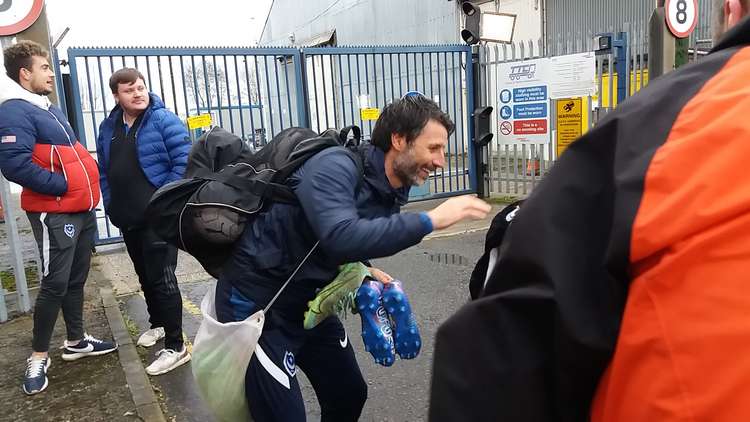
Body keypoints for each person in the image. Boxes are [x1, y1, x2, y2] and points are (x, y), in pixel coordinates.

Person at [429, 3, 750, 421]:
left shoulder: (667, 130)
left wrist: (428, 221)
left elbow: (496, 363)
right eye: (433, 149)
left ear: (732, 8)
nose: (438, 161)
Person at [214, 93, 490, 421]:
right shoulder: (333, 166)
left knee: (348, 394)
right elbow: (340, 234)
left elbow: (333, 241)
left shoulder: (387, 187)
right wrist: (430, 220)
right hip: (259, 308)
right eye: (434, 148)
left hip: (310, 304)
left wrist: (364, 271)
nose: (442, 160)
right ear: (399, 140)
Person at [0, 40, 117, 395]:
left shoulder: (46, 107)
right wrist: (63, 186)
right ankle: (38, 355)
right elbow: (13, 163)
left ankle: (77, 341)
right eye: (44, 68)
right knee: (54, 283)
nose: (51, 74)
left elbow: (64, 154)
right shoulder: (14, 110)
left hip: (79, 210)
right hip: (55, 212)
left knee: (75, 280)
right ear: (25, 73)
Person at [96, 68, 191, 376]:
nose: (138, 93)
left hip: (158, 218)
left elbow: (184, 160)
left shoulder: (163, 120)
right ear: (116, 96)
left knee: (162, 277)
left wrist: (164, 199)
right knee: (144, 275)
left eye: (140, 87)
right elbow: (104, 170)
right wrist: (110, 203)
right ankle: (158, 324)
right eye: (129, 90)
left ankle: (176, 347)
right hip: (127, 215)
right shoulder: (108, 127)